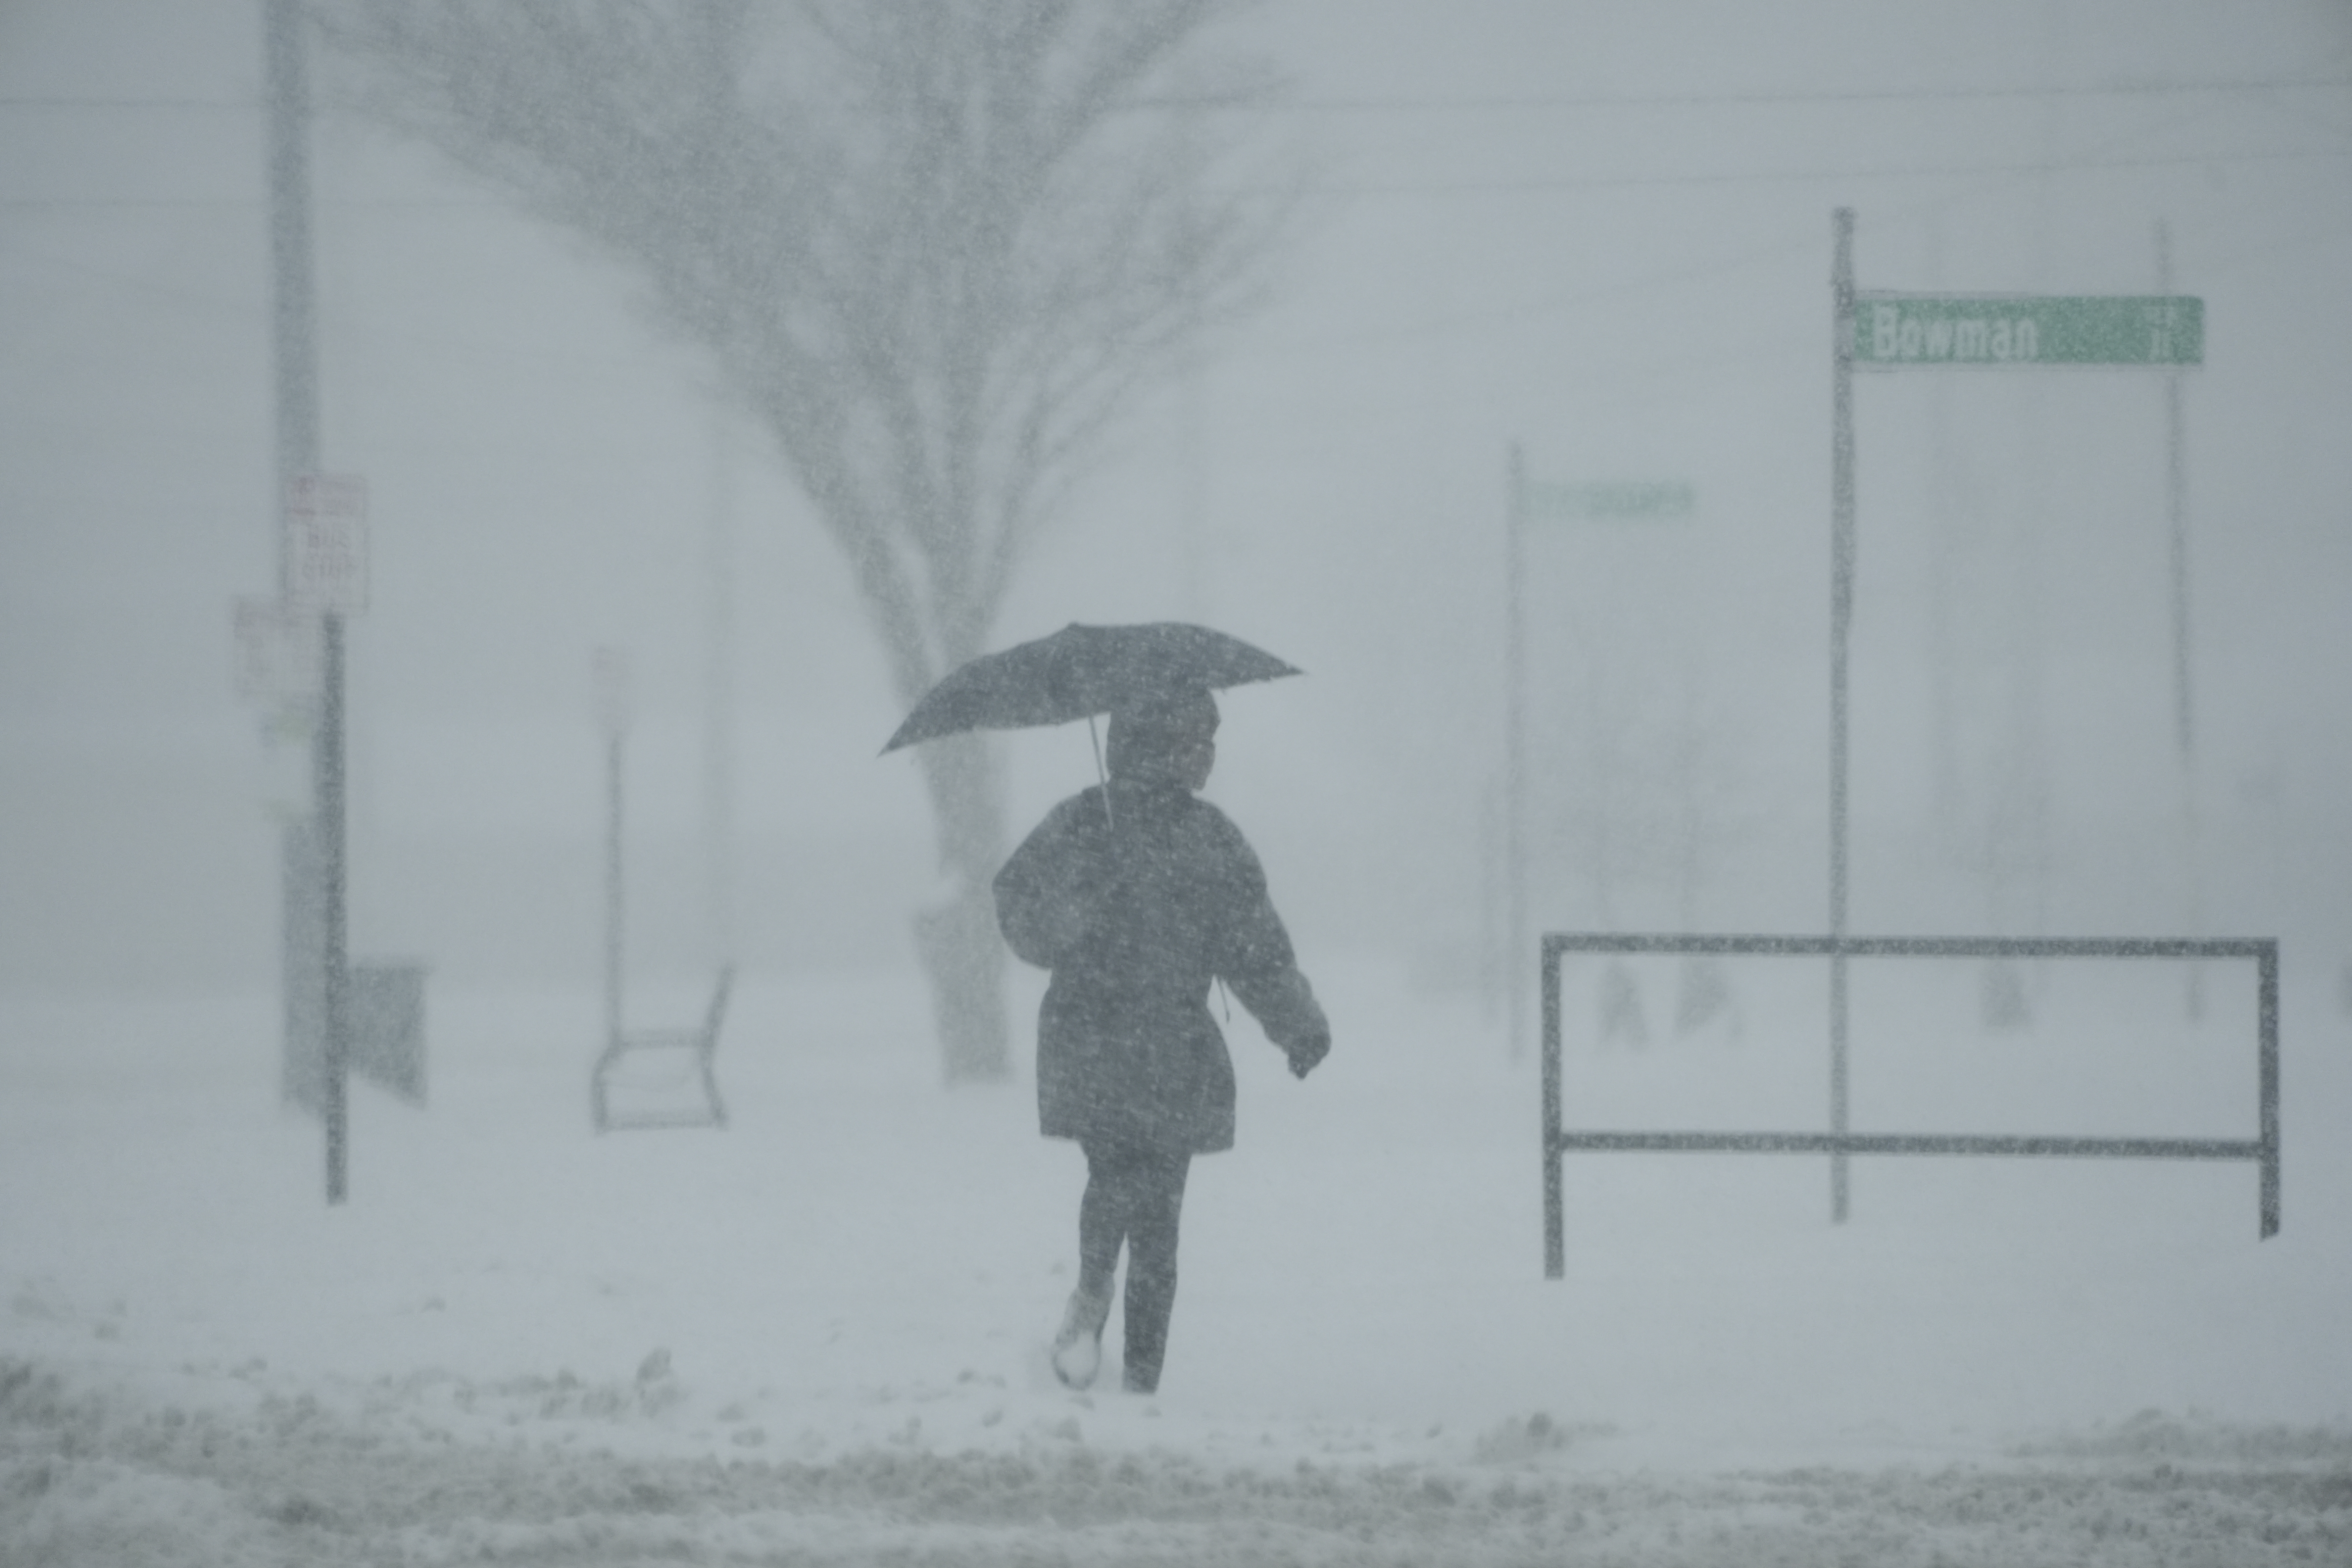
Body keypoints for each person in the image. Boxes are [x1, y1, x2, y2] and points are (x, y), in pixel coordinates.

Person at [992, 685, 1329, 1395]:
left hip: (1165, 1045)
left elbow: (1256, 950)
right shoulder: (1096, 824)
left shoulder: (1203, 838)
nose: (1207, 757)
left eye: (1210, 742)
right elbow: (1016, 900)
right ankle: (1095, 1302)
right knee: (1125, 1181)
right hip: (1105, 1038)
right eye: (1194, 742)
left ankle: (1139, 1373)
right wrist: (1069, 920)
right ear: (1151, 746)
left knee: (1157, 1219)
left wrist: (1297, 1023)